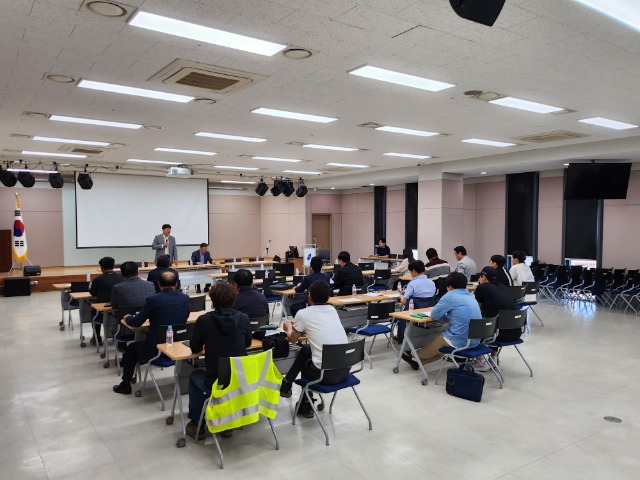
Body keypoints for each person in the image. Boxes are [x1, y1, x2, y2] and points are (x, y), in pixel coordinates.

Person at [185, 282, 252, 439]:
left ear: (212, 300)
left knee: (195, 375)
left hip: (216, 382)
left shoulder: (204, 320)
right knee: (224, 376)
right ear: (234, 300)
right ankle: (227, 422)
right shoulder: (243, 318)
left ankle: (197, 423)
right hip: (240, 379)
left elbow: (195, 348)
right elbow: (247, 343)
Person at [279, 281, 349, 418]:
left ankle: (306, 404)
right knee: (305, 349)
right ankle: (287, 383)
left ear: (309, 297)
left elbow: (292, 339)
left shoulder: (303, 313)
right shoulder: (332, 310)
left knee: (306, 363)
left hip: (325, 376)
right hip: (344, 371)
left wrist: (288, 327)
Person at [113, 271, 190, 394]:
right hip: (177, 347)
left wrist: (127, 317)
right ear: (176, 284)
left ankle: (125, 385)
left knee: (131, 348)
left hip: (157, 348)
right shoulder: (185, 298)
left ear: (159, 284)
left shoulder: (153, 299)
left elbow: (137, 322)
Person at [401, 272, 481, 368]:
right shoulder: (471, 296)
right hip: (475, 340)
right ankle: (418, 362)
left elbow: (434, 315)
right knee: (440, 344)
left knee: (437, 343)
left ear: (450, 286)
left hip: (459, 341)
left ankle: (413, 355)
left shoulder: (450, 296)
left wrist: (442, 315)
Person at [473, 266, 519, 372]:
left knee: (475, 326)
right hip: (516, 331)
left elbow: (476, 310)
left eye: (480, 277)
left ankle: (479, 361)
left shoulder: (482, 288)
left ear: (484, 277)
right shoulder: (504, 287)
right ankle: (493, 358)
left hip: (498, 335)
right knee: (496, 320)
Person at [395, 260, 437, 344]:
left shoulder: (412, 283)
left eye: (410, 272)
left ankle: (401, 339)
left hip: (414, 314)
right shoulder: (432, 282)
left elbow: (404, 302)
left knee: (400, 316)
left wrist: (401, 296)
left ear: (414, 271)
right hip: (428, 312)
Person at [89, 256, 123, 345]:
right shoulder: (121, 277)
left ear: (101, 268)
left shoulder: (98, 279)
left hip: (103, 309)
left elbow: (92, 292)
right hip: (119, 309)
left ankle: (97, 337)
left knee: (93, 313)